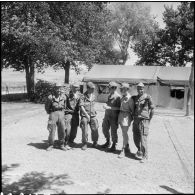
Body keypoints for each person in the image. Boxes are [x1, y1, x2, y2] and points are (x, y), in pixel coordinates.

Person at [132, 82, 154, 163]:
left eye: (141, 88)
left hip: (144, 120)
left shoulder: (148, 97)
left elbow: (152, 109)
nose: (139, 90)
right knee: (136, 137)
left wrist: (149, 119)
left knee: (143, 139)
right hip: (136, 120)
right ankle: (139, 151)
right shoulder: (135, 97)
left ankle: (145, 156)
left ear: (143, 89)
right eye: (138, 88)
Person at [44, 82, 68, 151]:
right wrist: (51, 113)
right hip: (53, 113)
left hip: (61, 113)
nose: (58, 90)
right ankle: (51, 144)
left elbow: (65, 106)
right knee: (52, 130)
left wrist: (63, 113)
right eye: (57, 88)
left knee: (62, 130)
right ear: (54, 89)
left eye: (60, 88)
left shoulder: (64, 97)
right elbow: (47, 107)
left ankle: (61, 144)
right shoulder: (50, 97)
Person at [101, 81, 121, 152]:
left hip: (114, 116)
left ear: (114, 88)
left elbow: (120, 108)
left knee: (113, 131)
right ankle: (108, 141)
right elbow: (108, 103)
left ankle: (114, 145)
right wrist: (105, 104)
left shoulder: (118, 97)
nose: (108, 89)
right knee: (104, 128)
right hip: (107, 115)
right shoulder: (109, 95)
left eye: (109, 88)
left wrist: (110, 108)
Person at [79, 82, 99, 150]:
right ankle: (84, 143)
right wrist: (86, 115)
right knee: (84, 129)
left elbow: (93, 105)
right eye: (92, 88)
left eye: (93, 88)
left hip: (93, 115)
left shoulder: (93, 96)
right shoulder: (82, 96)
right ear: (88, 88)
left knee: (95, 128)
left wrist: (94, 111)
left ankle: (95, 142)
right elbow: (81, 106)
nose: (93, 90)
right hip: (85, 115)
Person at [118, 83, 134, 158]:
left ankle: (123, 149)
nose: (121, 90)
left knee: (124, 133)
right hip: (121, 116)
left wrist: (131, 119)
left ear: (127, 89)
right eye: (121, 89)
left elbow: (132, 110)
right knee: (124, 133)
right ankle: (127, 146)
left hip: (126, 117)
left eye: (123, 89)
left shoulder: (129, 98)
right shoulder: (122, 97)